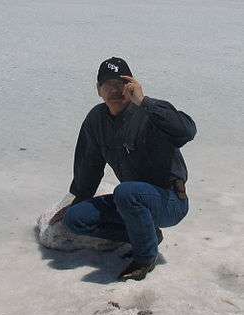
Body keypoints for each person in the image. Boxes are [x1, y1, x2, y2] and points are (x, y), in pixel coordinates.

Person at [49, 56, 197, 281]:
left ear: (132, 87)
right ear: (99, 90)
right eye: (109, 85)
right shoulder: (96, 120)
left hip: (170, 201)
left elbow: (186, 131)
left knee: (126, 192)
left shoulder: (150, 112)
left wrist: (145, 101)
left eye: (121, 85)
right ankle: (148, 236)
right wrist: (79, 199)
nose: (115, 91)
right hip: (131, 202)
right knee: (76, 219)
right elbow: (89, 165)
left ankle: (145, 258)